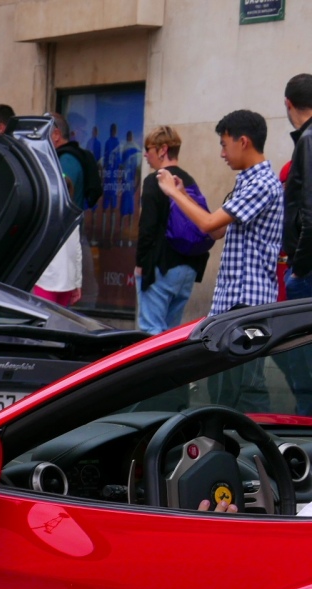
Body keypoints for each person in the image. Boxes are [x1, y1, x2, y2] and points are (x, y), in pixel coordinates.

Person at [157, 109, 285, 410]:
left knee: (242, 391)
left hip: (247, 303)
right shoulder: (248, 181)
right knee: (227, 389)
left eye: (224, 145)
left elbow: (209, 225)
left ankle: (257, 449)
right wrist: (181, 194)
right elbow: (217, 230)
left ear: (243, 142)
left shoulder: (262, 183)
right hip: (234, 303)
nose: (222, 153)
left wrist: (174, 195)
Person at [135, 125, 209, 333]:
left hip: (161, 265)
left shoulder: (155, 181)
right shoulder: (188, 180)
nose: (146, 155)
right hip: (187, 267)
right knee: (170, 333)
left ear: (162, 149)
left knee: (151, 331)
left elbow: (147, 227)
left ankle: (152, 368)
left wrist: (141, 264)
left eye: (148, 149)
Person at [33, 114, 85, 307]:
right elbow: (76, 249)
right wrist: (77, 281)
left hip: (50, 279)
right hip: (64, 278)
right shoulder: (71, 216)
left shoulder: (65, 162)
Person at [283, 74, 312, 304]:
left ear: (288, 103)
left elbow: (310, 214)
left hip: (306, 269)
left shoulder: (308, 140)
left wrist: (299, 269)